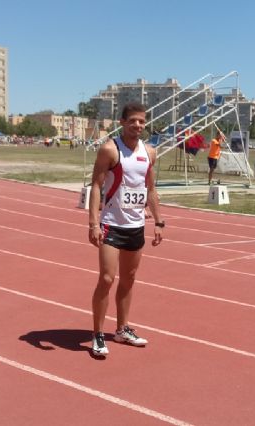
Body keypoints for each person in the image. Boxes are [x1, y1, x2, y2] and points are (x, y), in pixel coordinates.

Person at [88, 103, 164, 357]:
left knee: (129, 280)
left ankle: (122, 329)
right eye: (133, 121)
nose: (138, 125)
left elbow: (150, 189)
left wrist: (159, 222)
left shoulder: (150, 152)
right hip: (111, 223)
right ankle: (98, 334)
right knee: (107, 278)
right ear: (122, 122)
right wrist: (93, 223)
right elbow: (96, 186)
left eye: (142, 121)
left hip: (136, 225)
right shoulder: (110, 149)